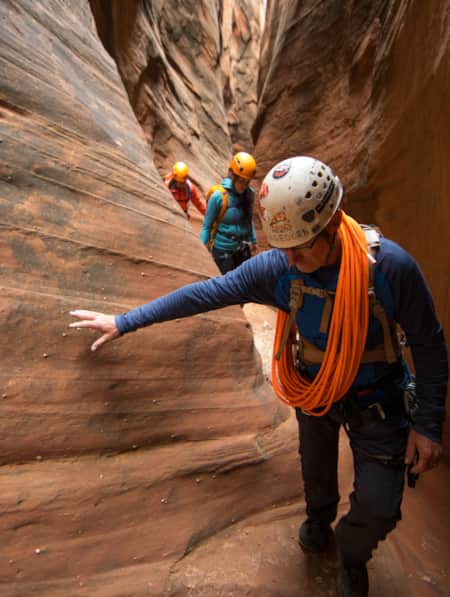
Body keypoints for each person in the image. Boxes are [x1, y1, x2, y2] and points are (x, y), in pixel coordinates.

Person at [70, 156, 447, 597]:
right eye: (282, 246)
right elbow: (207, 293)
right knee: (316, 472)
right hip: (313, 391)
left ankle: (353, 550)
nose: (290, 258)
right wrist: (125, 321)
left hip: (376, 398)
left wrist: (427, 424)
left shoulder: (389, 268)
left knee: (381, 507)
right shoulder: (281, 268)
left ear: (331, 226)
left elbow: (429, 342)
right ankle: (318, 520)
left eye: (301, 247)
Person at [200, 151, 257, 274]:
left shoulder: (249, 194)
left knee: (244, 284)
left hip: (243, 249)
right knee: (225, 287)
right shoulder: (219, 197)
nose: (244, 185)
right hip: (223, 251)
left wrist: (253, 239)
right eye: (241, 180)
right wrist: (201, 250)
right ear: (234, 176)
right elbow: (207, 226)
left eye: (247, 181)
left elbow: (248, 219)